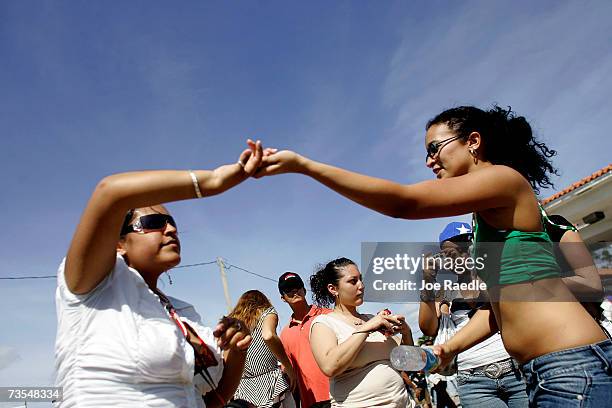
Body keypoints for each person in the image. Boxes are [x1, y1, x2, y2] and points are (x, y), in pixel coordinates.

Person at [254, 106, 612, 406]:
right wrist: (446, 349)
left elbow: (404, 203)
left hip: (570, 365)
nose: (428, 161)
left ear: (473, 142)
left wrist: (304, 166)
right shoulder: (487, 217)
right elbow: (496, 312)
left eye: (435, 148)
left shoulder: (503, 179)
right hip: (545, 370)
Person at [55, 140, 266, 407]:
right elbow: (109, 193)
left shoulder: (184, 313)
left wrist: (236, 351)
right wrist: (214, 181)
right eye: (154, 223)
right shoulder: (94, 288)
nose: (170, 230)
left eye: (173, 224)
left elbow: (215, 400)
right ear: (119, 244)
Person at [419, 222, 528, 408]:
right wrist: (428, 280)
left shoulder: (495, 275)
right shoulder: (446, 292)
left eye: (465, 249)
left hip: (517, 369)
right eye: (450, 255)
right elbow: (428, 327)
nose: (459, 258)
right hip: (473, 381)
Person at [308, 257, 415, 407]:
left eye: (361, 279)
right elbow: (329, 366)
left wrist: (406, 332)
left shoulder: (373, 319)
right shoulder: (324, 323)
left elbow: (408, 362)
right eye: (353, 281)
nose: (361, 286)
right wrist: (366, 329)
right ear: (333, 289)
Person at [228, 290, 296, 408]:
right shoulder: (267, 312)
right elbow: (268, 335)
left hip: (243, 389)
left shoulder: (232, 323)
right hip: (271, 383)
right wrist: (289, 367)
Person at [278, 272, 332, 408]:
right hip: (310, 401)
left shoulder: (329, 316)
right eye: (288, 289)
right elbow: (290, 376)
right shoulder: (285, 333)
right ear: (283, 298)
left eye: (297, 286)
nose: (294, 291)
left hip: (340, 395)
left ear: (304, 290)